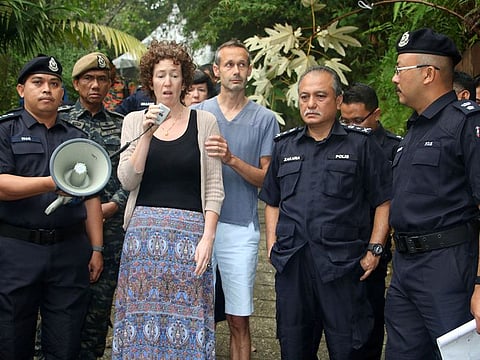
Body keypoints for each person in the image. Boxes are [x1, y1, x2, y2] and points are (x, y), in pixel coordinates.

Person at [258, 65, 392, 359]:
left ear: (338, 101)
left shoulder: (361, 145)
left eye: (320, 96)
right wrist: (271, 244)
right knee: (293, 347)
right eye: (304, 97)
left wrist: (375, 249)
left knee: (348, 348)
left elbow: (383, 200)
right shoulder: (285, 146)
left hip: (342, 266)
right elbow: (272, 201)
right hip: (294, 265)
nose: (311, 104)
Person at [111, 40, 224, 359]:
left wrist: (208, 238)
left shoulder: (205, 123)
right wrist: (147, 133)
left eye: (174, 75)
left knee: (188, 323)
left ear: (184, 80)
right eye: (161, 75)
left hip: (190, 239)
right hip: (143, 240)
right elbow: (128, 180)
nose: (168, 82)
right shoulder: (133, 121)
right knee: (140, 319)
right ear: (150, 80)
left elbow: (214, 186)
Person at [0, 55, 104, 359]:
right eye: (38, 82)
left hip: (69, 252)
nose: (47, 89)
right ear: (21, 90)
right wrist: (51, 182)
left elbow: (92, 197)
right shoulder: (5, 131)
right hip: (17, 251)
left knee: (65, 341)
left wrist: (97, 248)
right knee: (11, 340)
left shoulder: (77, 137)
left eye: (54, 84)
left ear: (62, 93)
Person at [385, 28, 480, 360]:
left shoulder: (466, 125)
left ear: (428, 73)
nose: (395, 78)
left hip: (447, 267)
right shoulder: (415, 128)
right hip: (406, 266)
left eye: (400, 69)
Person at [193, 39, 280, 359]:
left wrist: (231, 159)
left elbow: (267, 180)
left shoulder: (265, 119)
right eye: (229, 64)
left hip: (240, 227)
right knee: (193, 315)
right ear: (216, 71)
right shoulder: (197, 113)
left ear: (250, 70)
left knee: (238, 317)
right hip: (197, 225)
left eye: (242, 64)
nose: (236, 70)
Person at [61, 51, 127, 359]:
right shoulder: (59, 121)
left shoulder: (122, 126)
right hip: (65, 230)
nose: (96, 85)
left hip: (110, 232)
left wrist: (113, 205)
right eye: (88, 78)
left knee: (98, 311)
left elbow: (133, 174)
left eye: (102, 79)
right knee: (57, 307)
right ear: (76, 83)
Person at [340, 83, 401, 360]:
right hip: (338, 245)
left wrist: (377, 247)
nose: (351, 127)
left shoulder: (394, 148)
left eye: (357, 120)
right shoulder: (336, 142)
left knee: (370, 325)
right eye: (345, 120)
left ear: (375, 114)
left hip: (373, 250)